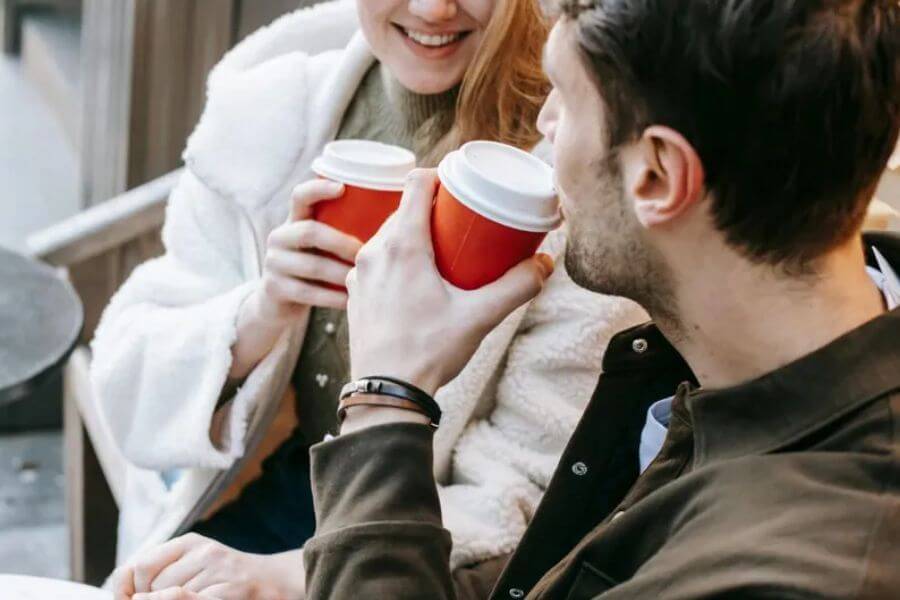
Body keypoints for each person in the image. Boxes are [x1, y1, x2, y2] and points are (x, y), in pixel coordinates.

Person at [255, 0, 895, 598]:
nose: (542, 122)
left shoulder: (785, 567)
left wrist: (387, 398)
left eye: (560, 94)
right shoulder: (703, 372)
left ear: (657, 174)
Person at [94, 0, 646, 598]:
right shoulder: (270, 108)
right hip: (270, 489)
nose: (434, 9)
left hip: (420, 529)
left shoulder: (572, 171)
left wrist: (287, 576)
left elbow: (526, 486)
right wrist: (261, 312)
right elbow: (130, 372)